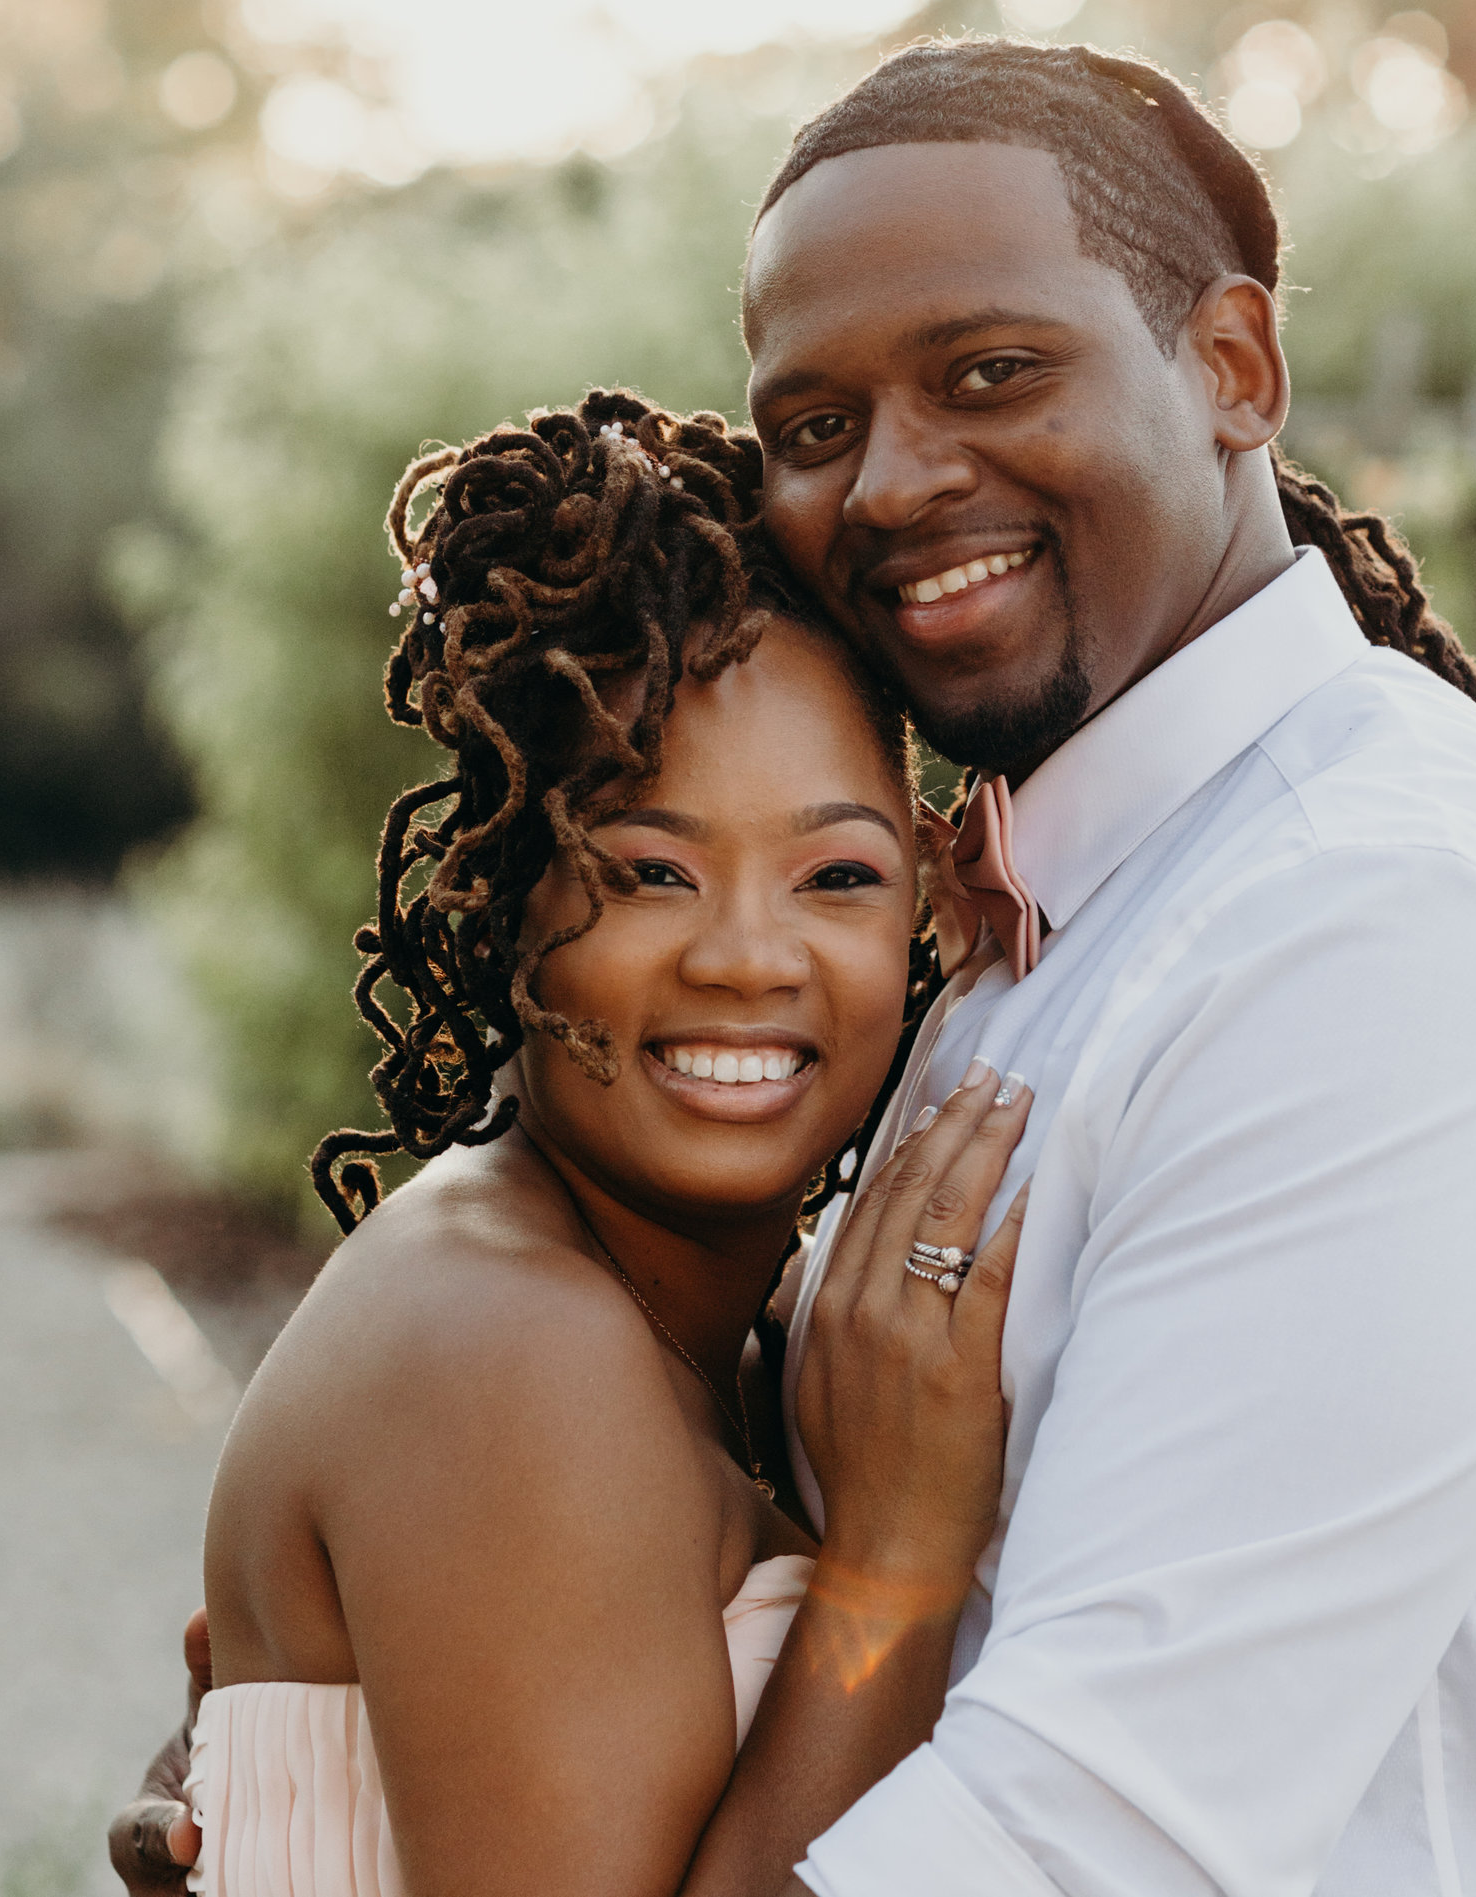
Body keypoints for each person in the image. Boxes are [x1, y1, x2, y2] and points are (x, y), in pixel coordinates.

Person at [121, 38, 1476, 1896]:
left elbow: (1081, 1843)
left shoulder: (1402, 942)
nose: (895, 480)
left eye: (994, 372)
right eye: (815, 424)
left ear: (1233, 368)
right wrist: (354, 1761)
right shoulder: (1023, 920)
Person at [158, 389, 1045, 1896]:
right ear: (512, 904)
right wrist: (891, 1571)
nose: (748, 957)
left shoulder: (720, 1324)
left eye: (836, 872)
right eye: (648, 869)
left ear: (935, 908)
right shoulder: (515, 1346)